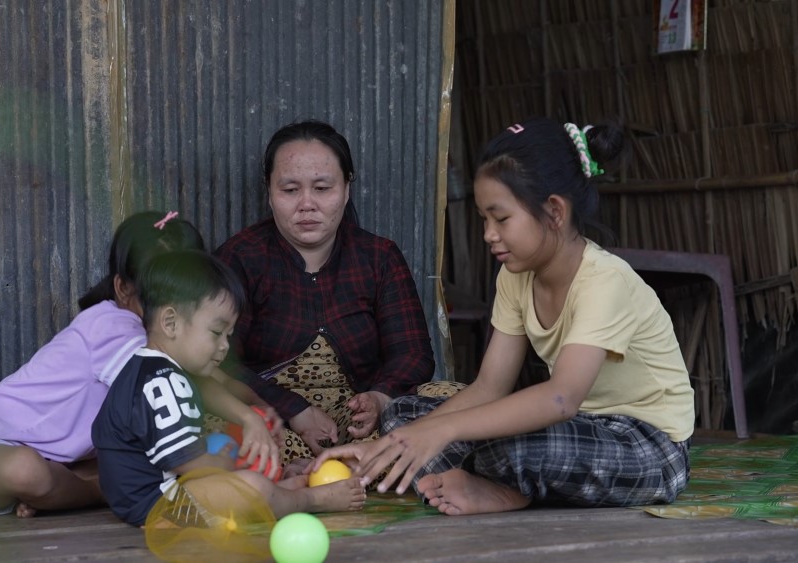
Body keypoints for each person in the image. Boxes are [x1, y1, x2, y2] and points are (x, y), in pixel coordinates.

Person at [312, 117, 695, 516]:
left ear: (555, 211)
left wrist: (442, 431)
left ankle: (507, 490)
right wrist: (388, 445)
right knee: (402, 415)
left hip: (649, 447)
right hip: (578, 429)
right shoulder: (516, 276)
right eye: (484, 219)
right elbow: (488, 388)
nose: (488, 234)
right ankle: (487, 477)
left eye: (501, 218)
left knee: (505, 445)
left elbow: (561, 398)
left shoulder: (605, 280)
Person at [0, 211, 280, 518]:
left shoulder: (166, 344)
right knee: (23, 471)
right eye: (159, 287)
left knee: (146, 456)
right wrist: (248, 416)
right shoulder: (111, 325)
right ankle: (96, 492)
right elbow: (199, 383)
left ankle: (64, 492)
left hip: (68, 463)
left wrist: (263, 407)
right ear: (123, 289)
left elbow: (210, 377)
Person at [214, 119, 449, 466]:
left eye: (322, 188)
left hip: (365, 426)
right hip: (272, 421)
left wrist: (380, 399)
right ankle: (349, 473)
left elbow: (413, 354)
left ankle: (344, 466)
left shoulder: (378, 257)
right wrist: (293, 409)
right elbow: (218, 360)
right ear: (269, 190)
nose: (307, 204)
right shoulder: (240, 258)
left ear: (346, 187)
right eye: (290, 190)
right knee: (207, 428)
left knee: (455, 403)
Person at [91, 250, 366, 526]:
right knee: (252, 488)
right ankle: (315, 499)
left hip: (152, 499)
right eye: (216, 332)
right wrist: (230, 464)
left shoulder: (149, 368)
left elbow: (207, 388)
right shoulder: (163, 381)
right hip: (161, 506)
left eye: (228, 335)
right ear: (170, 323)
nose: (224, 346)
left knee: (250, 484)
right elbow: (187, 463)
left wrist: (249, 418)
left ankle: (288, 491)